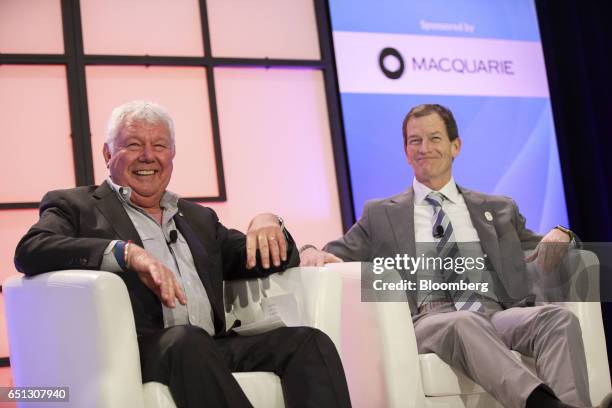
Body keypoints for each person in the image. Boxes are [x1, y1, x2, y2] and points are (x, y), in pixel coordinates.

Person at [15, 100, 351, 408]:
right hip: (140, 349)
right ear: (107, 154)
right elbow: (32, 249)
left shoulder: (197, 217)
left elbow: (260, 256)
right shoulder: (78, 206)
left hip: (211, 345)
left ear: (172, 154)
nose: (148, 156)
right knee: (186, 341)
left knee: (308, 342)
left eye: (159, 146)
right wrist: (125, 253)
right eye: (133, 145)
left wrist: (270, 222)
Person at [300, 104, 604, 408]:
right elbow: (331, 253)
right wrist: (311, 251)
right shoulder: (380, 214)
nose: (424, 148)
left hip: (494, 314)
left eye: (434, 138)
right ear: (406, 151)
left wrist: (563, 233)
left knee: (557, 318)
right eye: (414, 141)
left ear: (454, 146)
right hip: (428, 321)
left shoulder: (498, 208)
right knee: (463, 322)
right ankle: (540, 403)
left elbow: (543, 244)